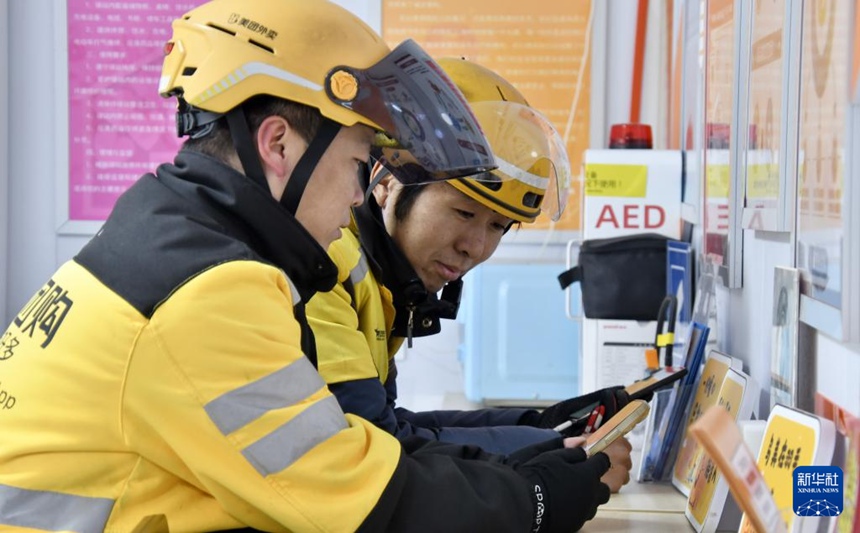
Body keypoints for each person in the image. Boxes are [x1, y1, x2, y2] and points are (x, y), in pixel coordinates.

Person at [0, 1, 613, 532]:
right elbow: (359, 503)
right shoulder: (206, 292)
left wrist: (531, 436)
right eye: (357, 164)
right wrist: (538, 500)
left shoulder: (171, 239)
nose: (359, 195)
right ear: (278, 145)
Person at [306, 57, 633, 488]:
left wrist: (545, 424)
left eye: (497, 225)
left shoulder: (384, 284)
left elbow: (401, 427)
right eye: (463, 211)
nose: (474, 247)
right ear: (385, 182)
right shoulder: (330, 271)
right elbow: (384, 451)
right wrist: (551, 457)